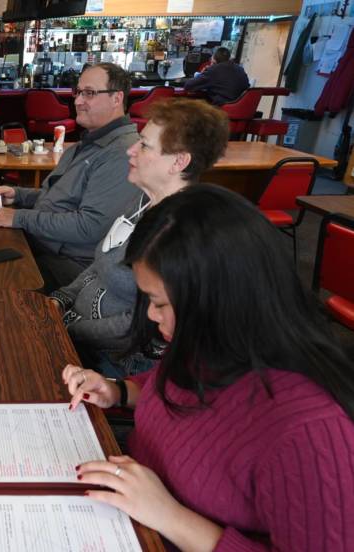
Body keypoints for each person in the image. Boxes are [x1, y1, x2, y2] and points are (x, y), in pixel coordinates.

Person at [62, 185, 354, 551]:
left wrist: (169, 515)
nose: (152, 316)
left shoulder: (312, 432)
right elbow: (174, 388)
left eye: (159, 303)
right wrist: (118, 390)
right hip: (126, 515)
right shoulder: (213, 344)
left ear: (220, 300)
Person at [50, 99, 229, 378]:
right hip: (78, 331)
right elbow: (100, 263)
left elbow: (136, 327)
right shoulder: (141, 200)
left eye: (144, 145)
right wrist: (61, 299)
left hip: (119, 362)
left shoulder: (178, 233)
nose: (131, 150)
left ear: (180, 161)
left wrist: (65, 325)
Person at [0, 63, 140, 291]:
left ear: (117, 98)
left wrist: (18, 217)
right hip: (44, 245)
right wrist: (19, 195)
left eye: (89, 93)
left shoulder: (122, 153)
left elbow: (89, 226)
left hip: (72, 267)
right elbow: (58, 198)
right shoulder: (87, 142)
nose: (77, 101)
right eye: (78, 92)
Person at [183, 46, 250, 105]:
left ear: (214, 59)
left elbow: (188, 85)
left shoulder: (214, 69)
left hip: (222, 108)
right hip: (241, 107)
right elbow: (247, 87)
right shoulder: (240, 68)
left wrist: (204, 73)